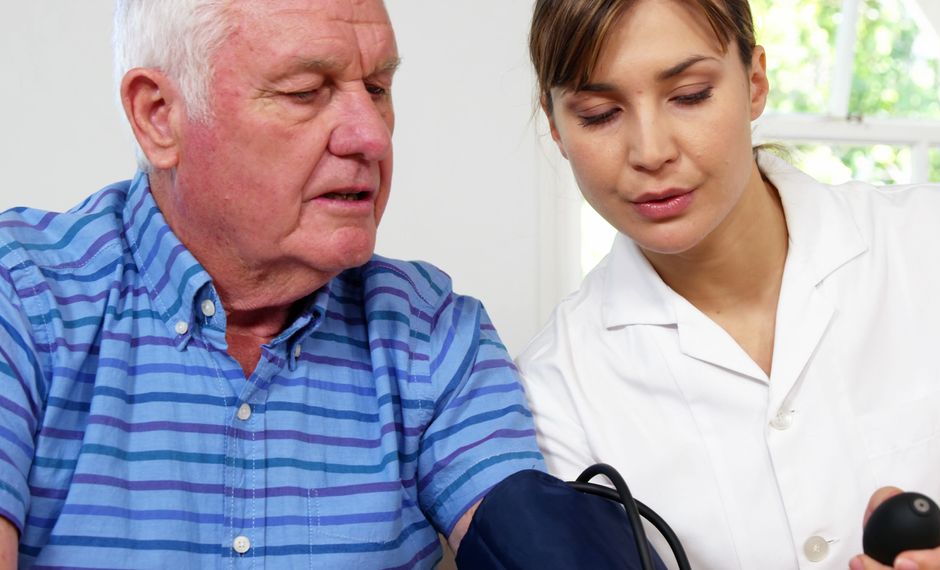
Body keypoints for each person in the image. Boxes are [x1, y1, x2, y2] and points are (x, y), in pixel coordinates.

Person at [517, 0, 940, 568]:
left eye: (689, 95)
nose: (651, 152)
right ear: (557, 125)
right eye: (597, 114)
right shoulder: (553, 386)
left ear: (755, 82)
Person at [0, 0, 546, 567]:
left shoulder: (430, 329)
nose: (372, 138)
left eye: (379, 89)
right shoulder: (20, 294)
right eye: (306, 92)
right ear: (159, 115)